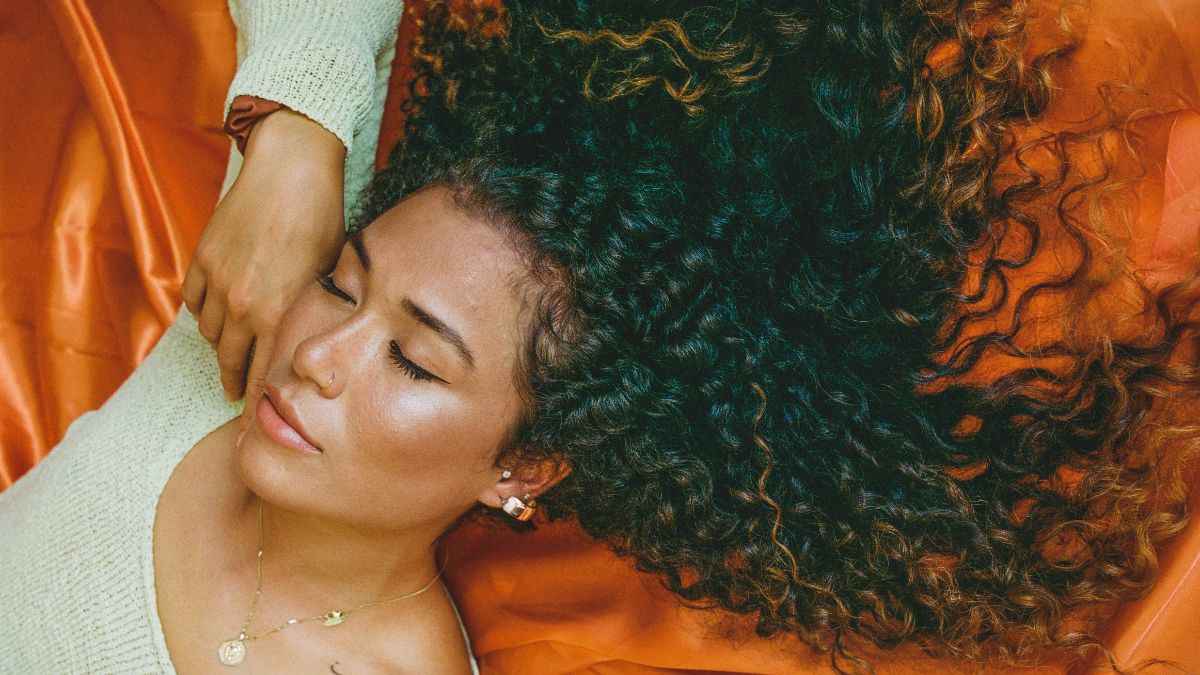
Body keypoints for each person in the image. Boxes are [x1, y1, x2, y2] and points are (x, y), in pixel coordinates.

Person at [4, 1, 1200, 674]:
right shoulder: (236, 341)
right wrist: (296, 137)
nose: (317, 353)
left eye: (415, 360)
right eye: (342, 284)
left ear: (522, 467)